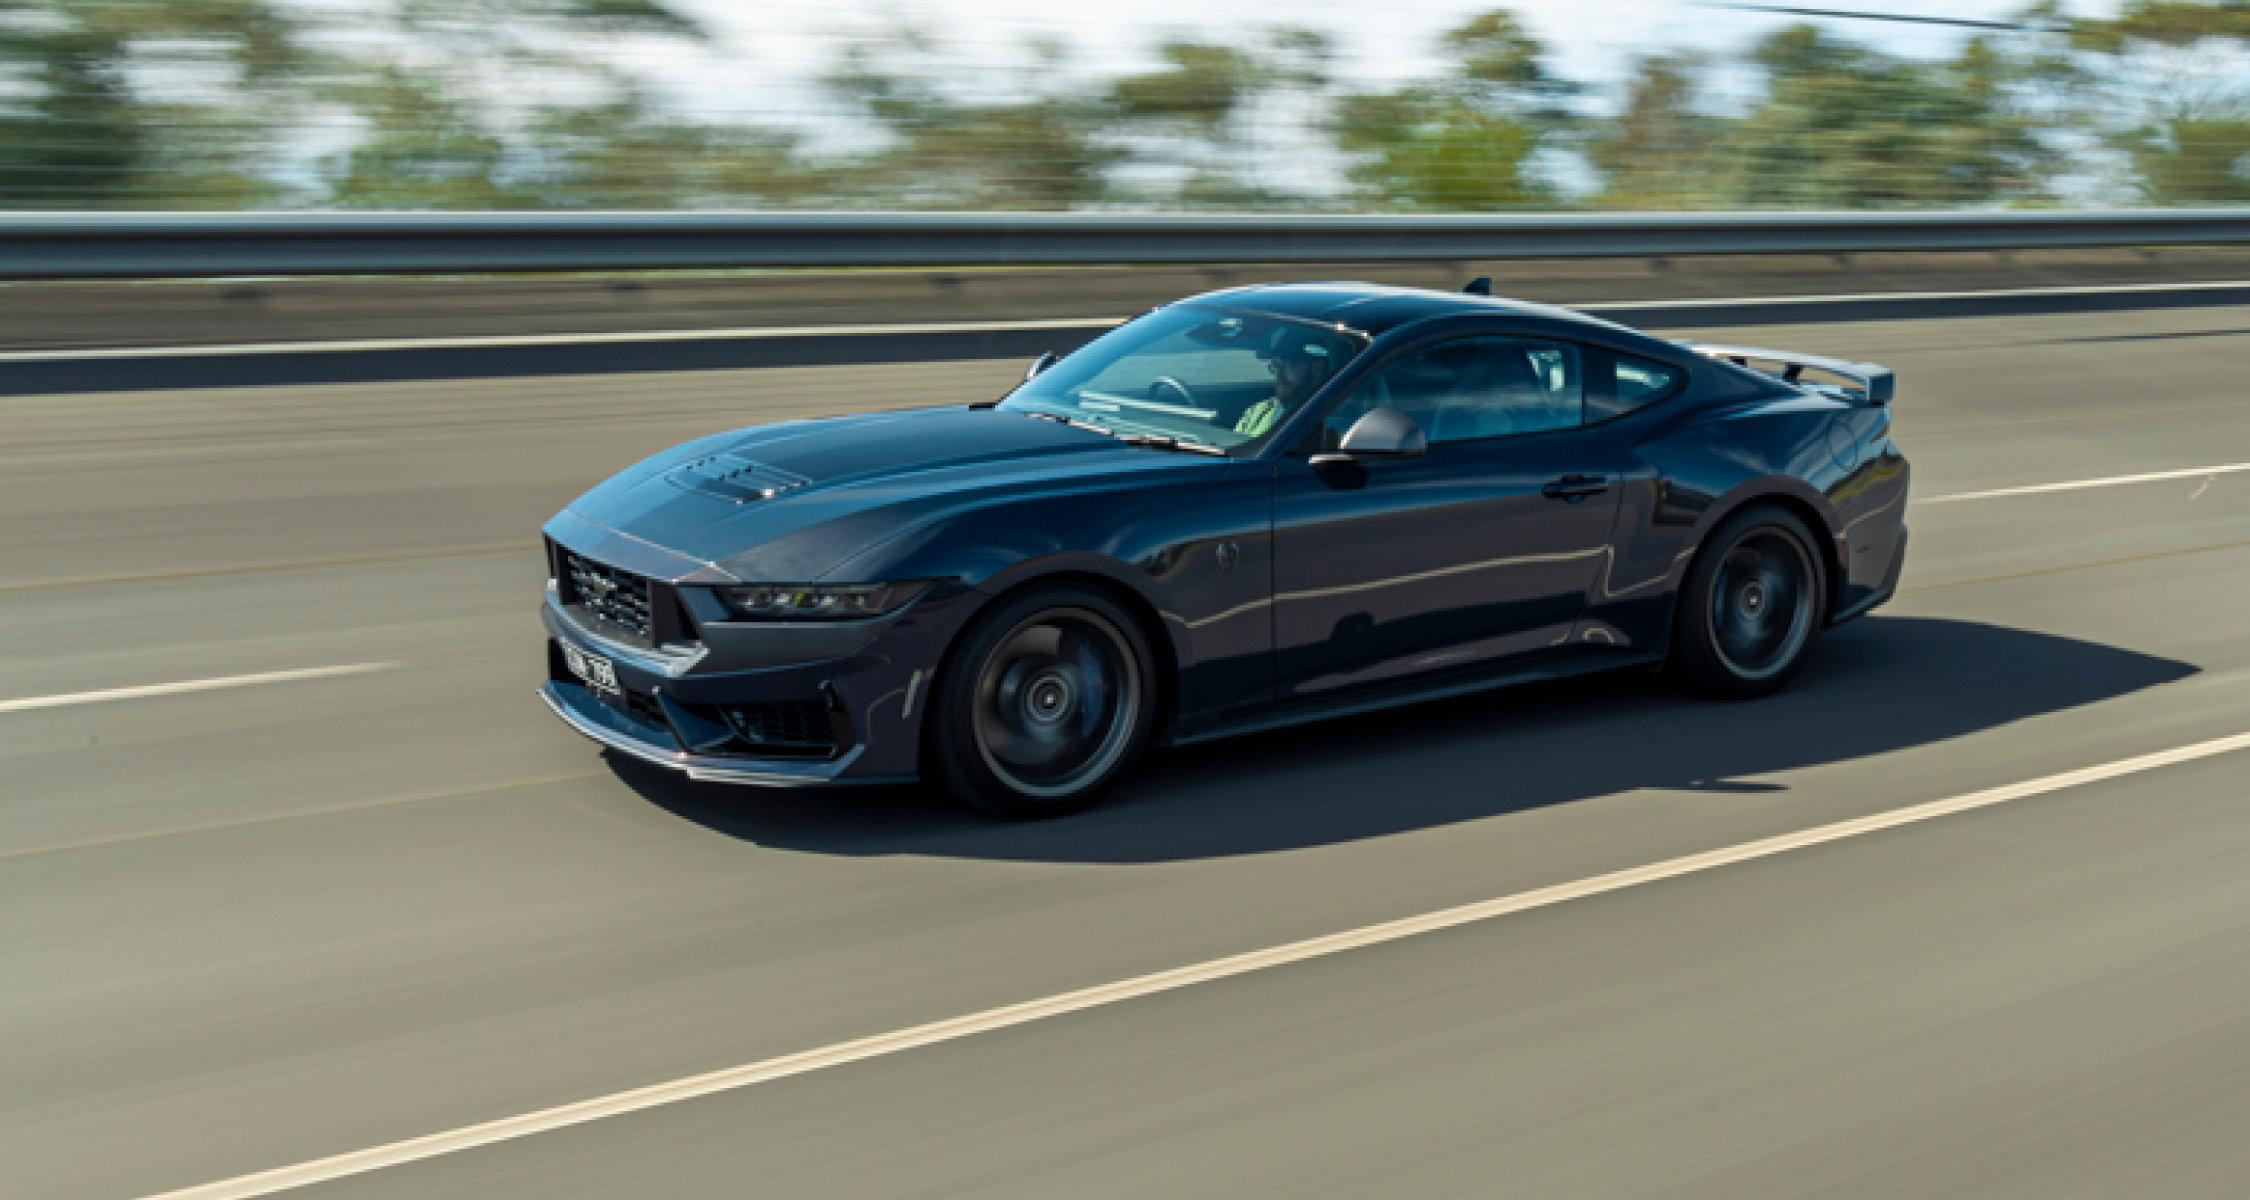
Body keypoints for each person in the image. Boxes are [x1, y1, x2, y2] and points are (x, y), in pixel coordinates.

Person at [1234, 327, 1337, 438]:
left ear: (1318, 368)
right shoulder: (1257, 412)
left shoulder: (1331, 419)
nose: (1279, 376)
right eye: (1276, 367)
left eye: (1288, 366)